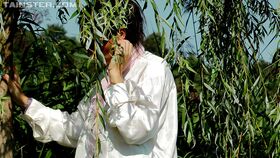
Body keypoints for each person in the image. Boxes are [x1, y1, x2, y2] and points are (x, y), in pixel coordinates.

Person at [3, 1, 178, 157]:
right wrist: (25, 102)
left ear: (120, 35)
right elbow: (74, 129)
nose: (91, 52)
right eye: (87, 43)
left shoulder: (153, 70)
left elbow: (136, 130)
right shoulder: (105, 80)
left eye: (95, 43)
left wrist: (116, 79)